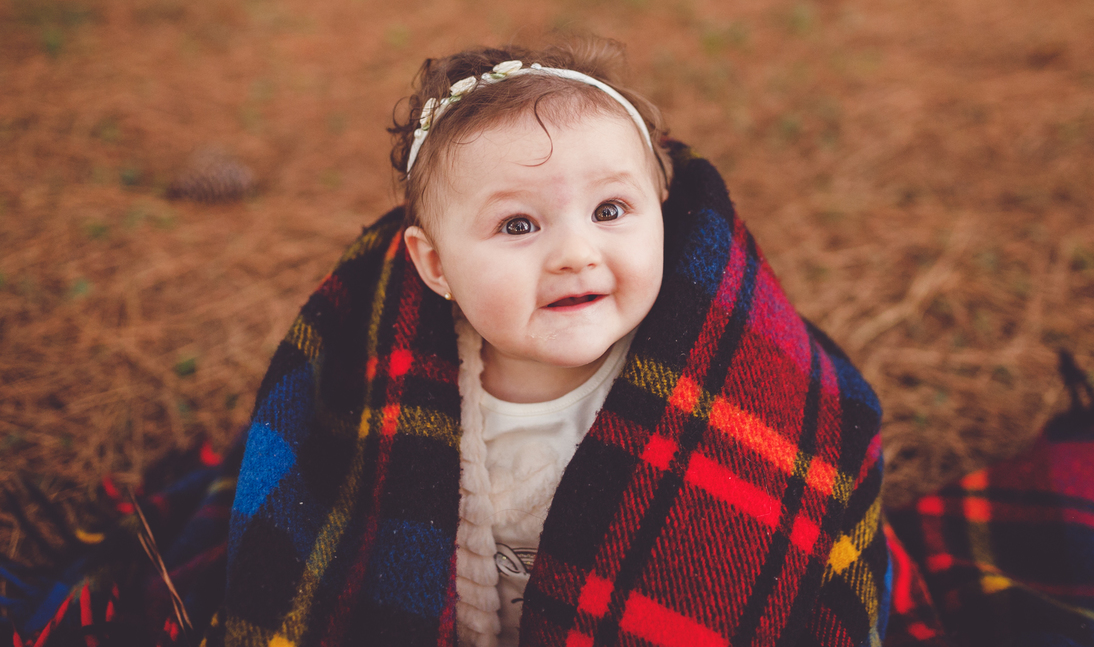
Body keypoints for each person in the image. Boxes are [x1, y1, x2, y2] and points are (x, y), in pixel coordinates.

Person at [215, 39, 891, 646]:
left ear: (661, 210)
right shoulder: (389, 391)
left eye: (609, 211)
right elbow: (348, 530)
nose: (574, 252)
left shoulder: (713, 390)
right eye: (517, 225)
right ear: (435, 266)